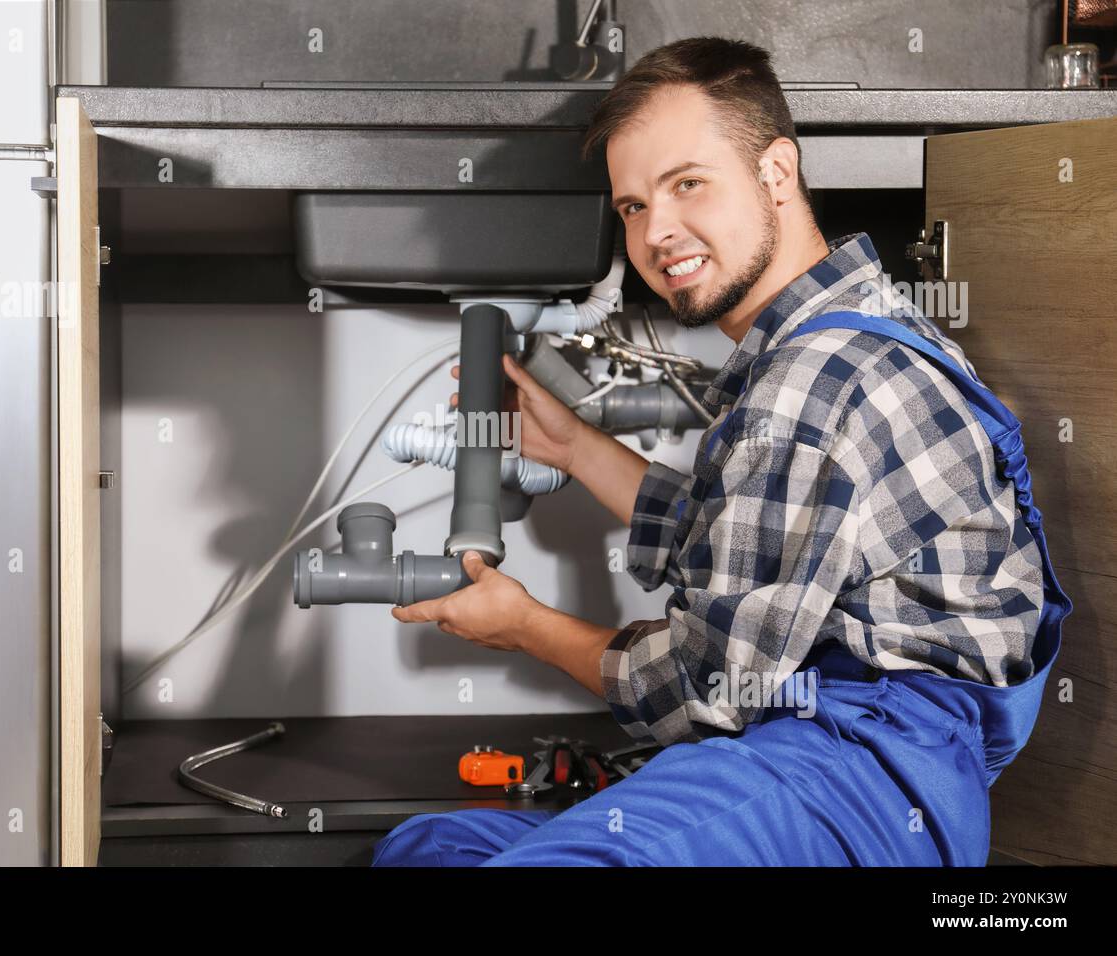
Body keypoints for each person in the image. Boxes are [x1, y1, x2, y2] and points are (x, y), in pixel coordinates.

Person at [371, 36, 1069, 866]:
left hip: (863, 779)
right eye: (633, 207)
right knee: (432, 846)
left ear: (776, 173)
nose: (658, 232)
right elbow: (746, 539)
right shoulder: (843, 332)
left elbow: (702, 683)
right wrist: (577, 446)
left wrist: (525, 625)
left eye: (686, 184)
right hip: (808, 749)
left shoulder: (816, 377)